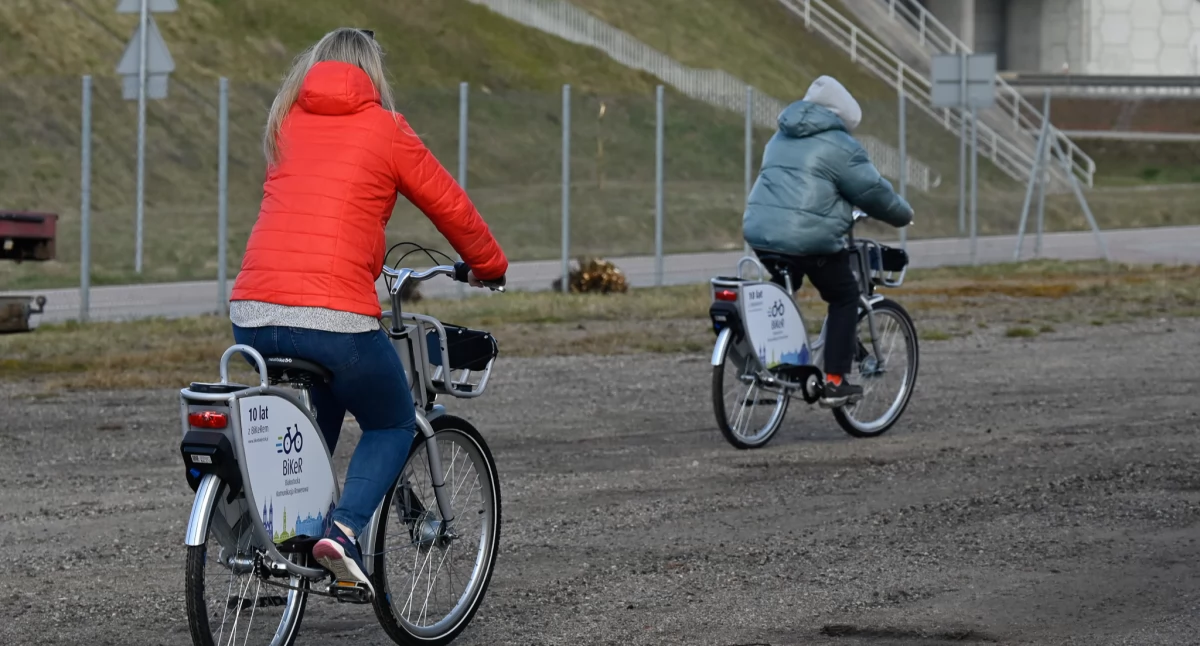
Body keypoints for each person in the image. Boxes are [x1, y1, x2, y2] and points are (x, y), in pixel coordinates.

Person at [227, 27, 508, 589]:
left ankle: (278, 532)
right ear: (372, 73)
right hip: (335, 320)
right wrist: (490, 266)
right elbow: (450, 204)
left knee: (317, 412)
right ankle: (346, 531)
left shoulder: (287, 121)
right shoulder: (385, 128)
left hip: (252, 313)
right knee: (392, 420)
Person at [743, 75, 913, 408]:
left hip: (761, 233)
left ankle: (769, 364)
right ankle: (834, 381)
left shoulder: (780, 135)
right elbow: (873, 192)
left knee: (781, 289)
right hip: (806, 239)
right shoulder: (840, 145)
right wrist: (903, 215)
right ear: (841, 117)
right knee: (844, 295)